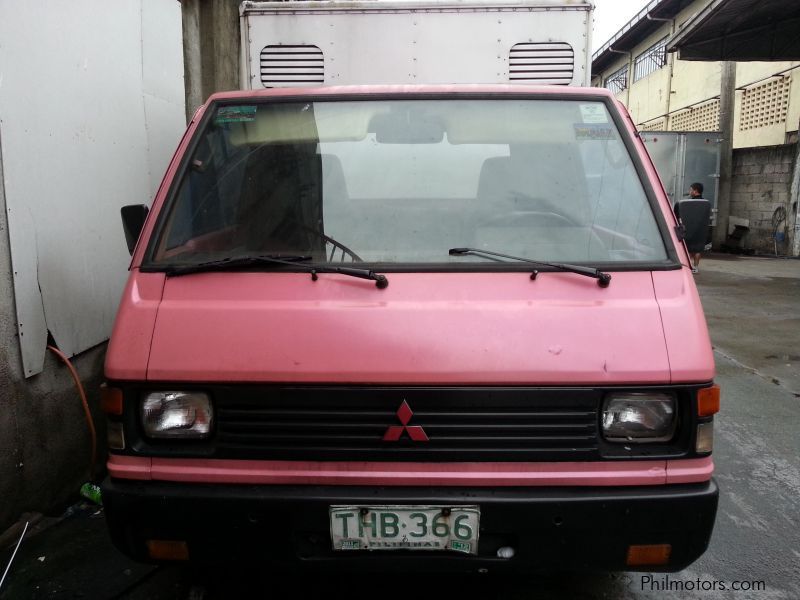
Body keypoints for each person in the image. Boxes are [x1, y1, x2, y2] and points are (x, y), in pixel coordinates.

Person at [674, 182, 710, 272]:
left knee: (688, 250)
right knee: (698, 250)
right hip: (701, 230)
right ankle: (696, 268)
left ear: (695, 191)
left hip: (689, 229)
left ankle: (688, 267)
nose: (689, 191)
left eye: (690, 190)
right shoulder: (706, 203)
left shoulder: (686, 203)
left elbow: (677, 214)